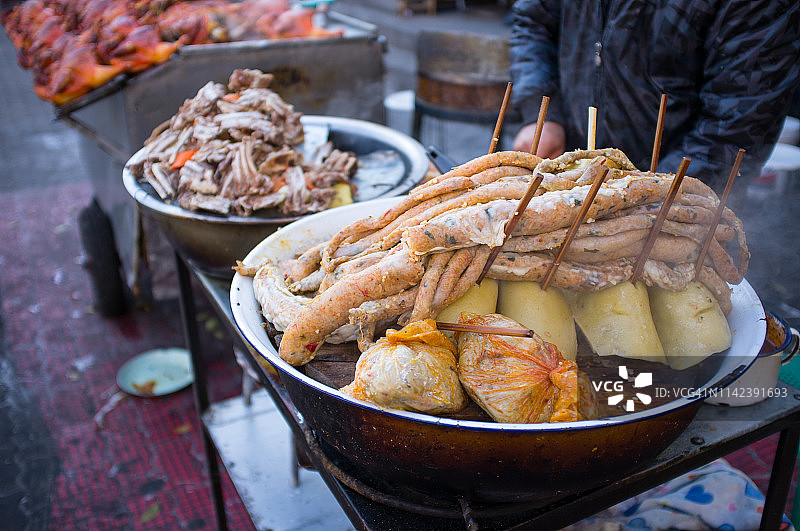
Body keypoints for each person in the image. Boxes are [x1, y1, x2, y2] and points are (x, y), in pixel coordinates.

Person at [508, 0, 800, 193]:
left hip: (678, 195)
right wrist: (544, 113)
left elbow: (741, 121)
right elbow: (535, 20)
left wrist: (645, 196)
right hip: (570, 168)